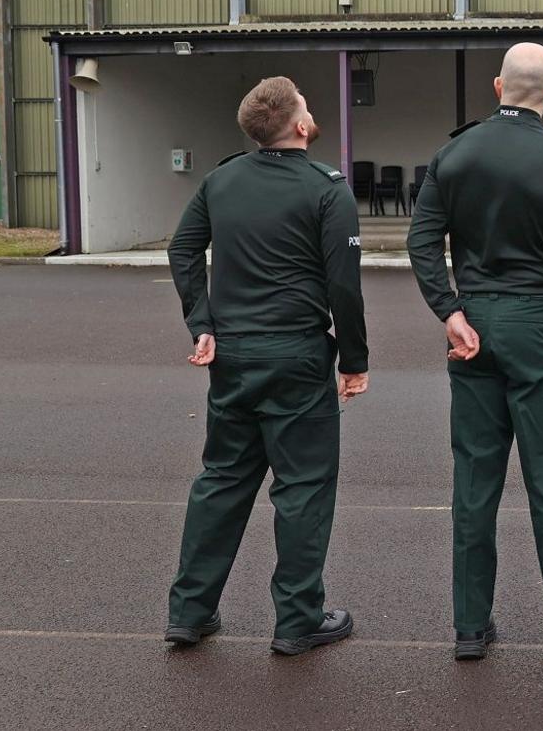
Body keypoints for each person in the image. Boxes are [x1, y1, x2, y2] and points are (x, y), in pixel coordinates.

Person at [406, 42, 543, 664]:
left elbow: (421, 242)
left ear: (497, 85)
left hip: (475, 323)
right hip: (542, 324)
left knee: (474, 482)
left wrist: (449, 311)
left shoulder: (454, 152)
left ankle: (470, 626)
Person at [164, 76, 368, 656]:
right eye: (305, 104)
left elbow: (183, 250)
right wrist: (354, 359)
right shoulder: (328, 189)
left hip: (233, 356)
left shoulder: (220, 180)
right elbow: (343, 287)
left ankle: (190, 613)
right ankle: (298, 618)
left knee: (222, 481)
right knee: (302, 488)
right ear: (300, 125)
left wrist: (201, 321)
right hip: (297, 357)